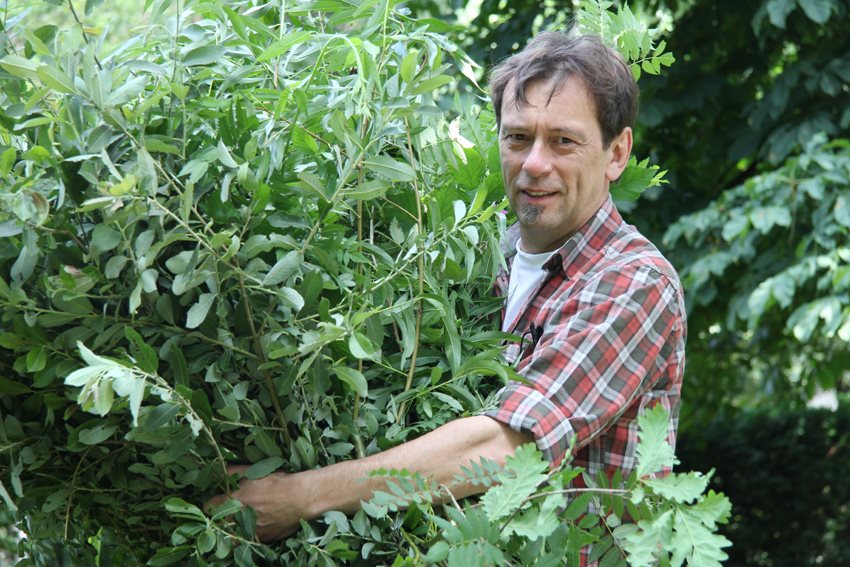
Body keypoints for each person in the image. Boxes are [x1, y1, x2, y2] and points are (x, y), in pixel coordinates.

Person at [208, 30, 686, 548]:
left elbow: (506, 447)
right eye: (517, 137)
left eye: (563, 141)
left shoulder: (634, 281)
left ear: (617, 153)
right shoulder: (474, 262)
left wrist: (298, 497)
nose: (534, 164)